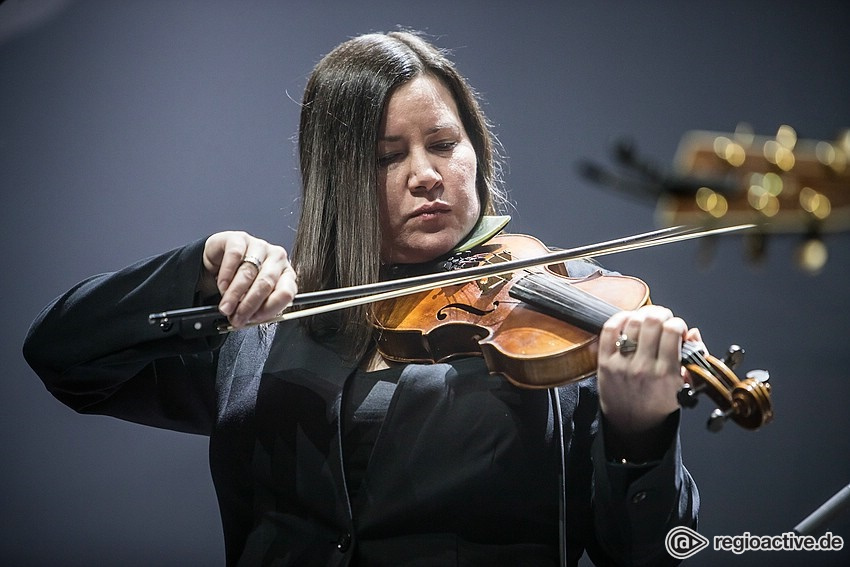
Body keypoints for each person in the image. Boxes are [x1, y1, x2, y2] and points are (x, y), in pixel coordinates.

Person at [23, 31, 699, 566]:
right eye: (387, 156)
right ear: (337, 176)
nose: (426, 175)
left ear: (476, 154)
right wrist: (197, 266)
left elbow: (653, 550)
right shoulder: (265, 323)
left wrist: (640, 438)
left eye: (443, 144)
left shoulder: (560, 319)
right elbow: (62, 355)